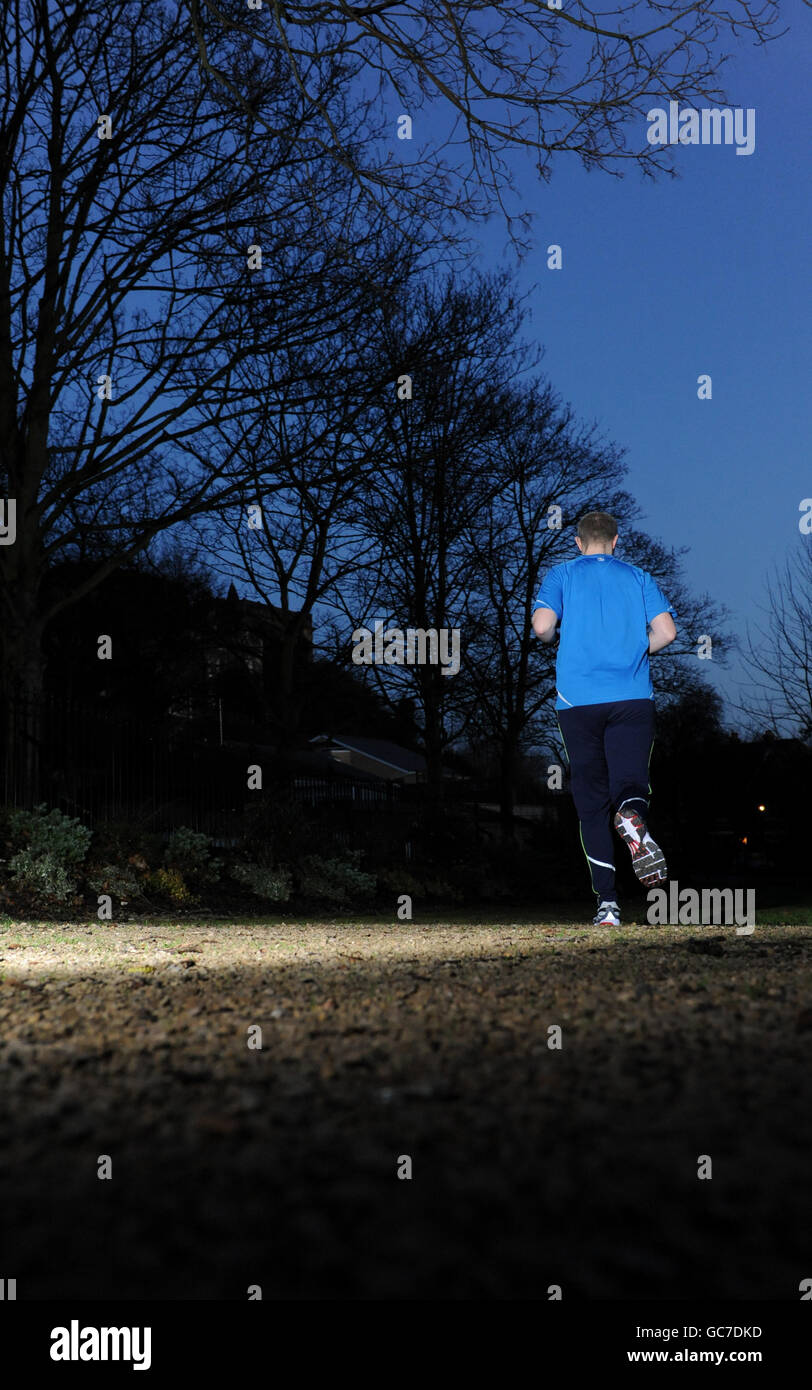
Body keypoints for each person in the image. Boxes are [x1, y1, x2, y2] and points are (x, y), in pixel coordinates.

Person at [531, 511, 677, 927]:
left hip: (577, 701)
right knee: (630, 783)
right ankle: (632, 816)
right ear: (616, 540)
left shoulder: (560, 575)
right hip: (632, 697)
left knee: (591, 801)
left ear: (577, 543)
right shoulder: (638, 577)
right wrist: (634, 650)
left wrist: (554, 638)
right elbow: (667, 633)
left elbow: (542, 626)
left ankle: (607, 905)